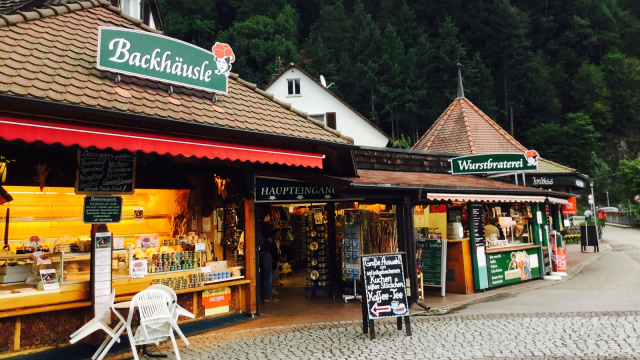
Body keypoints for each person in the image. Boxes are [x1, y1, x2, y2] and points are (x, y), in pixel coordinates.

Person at [259, 212, 278, 302]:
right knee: (268, 274)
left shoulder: (259, 225)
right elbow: (269, 239)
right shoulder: (266, 226)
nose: (270, 217)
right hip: (266, 251)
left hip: (261, 251)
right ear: (266, 217)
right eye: (268, 216)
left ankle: (263, 294)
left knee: (264, 273)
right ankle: (268, 296)